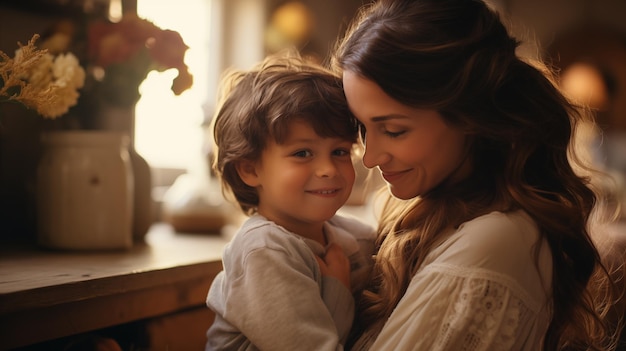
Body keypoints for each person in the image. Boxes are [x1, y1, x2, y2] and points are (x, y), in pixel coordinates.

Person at [326, 0, 622, 350]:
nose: (370, 157)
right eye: (362, 127)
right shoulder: (444, 212)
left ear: (469, 117)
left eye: (393, 130)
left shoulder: (492, 243)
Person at [205, 51, 376, 350]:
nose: (328, 169)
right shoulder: (264, 251)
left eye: (339, 151)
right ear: (250, 168)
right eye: (302, 153)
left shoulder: (352, 238)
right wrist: (337, 289)